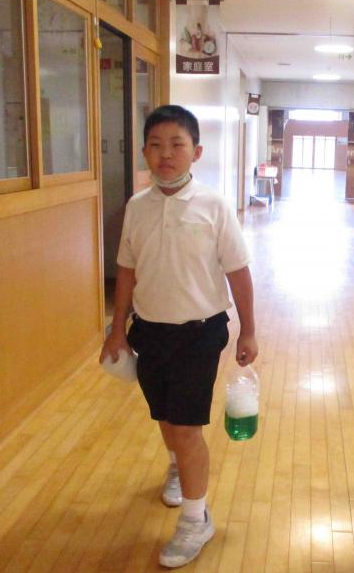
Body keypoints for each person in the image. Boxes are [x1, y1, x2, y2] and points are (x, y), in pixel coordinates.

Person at [100, 105, 258, 568]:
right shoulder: (136, 207)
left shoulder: (214, 206)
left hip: (199, 334)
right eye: (156, 145)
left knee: (187, 429)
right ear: (144, 152)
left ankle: (195, 519)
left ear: (196, 152)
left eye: (177, 145)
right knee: (167, 416)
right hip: (149, 332)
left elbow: (239, 272)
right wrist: (117, 329)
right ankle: (177, 466)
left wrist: (249, 330)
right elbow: (126, 270)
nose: (165, 154)